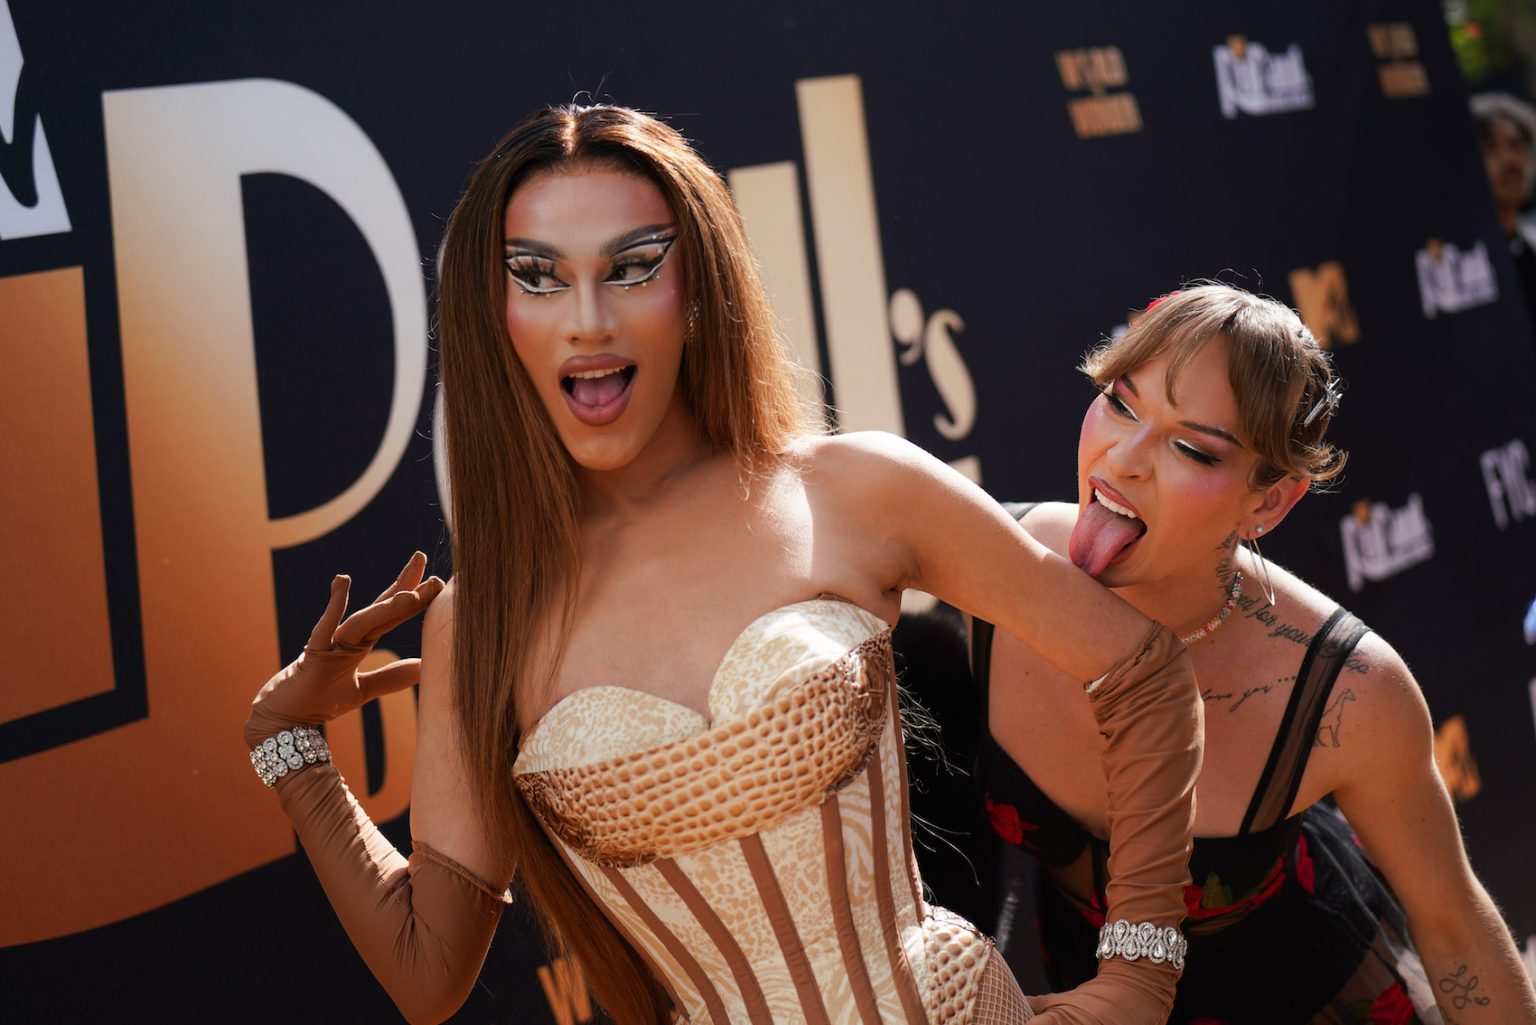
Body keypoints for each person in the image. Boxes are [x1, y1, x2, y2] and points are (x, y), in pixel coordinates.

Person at [242, 104, 1203, 1025]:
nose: (588, 319)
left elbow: (1143, 670)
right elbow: (428, 973)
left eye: (632, 267)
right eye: (537, 276)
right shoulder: (481, 620)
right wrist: (289, 743)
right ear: (491, 316)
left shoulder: (857, 488)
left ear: (696, 284)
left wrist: (1139, 974)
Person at [964, 285, 1536, 1023]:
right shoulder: (987, 571)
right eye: (1121, 403)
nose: (1124, 459)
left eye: (1192, 448)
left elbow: (1455, 928)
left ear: (1268, 502)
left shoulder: (1349, 690)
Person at [1471, 92, 1536, 328]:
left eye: (1517, 145)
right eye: (1490, 148)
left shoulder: (1529, 241)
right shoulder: (1467, 264)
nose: (1510, 160)